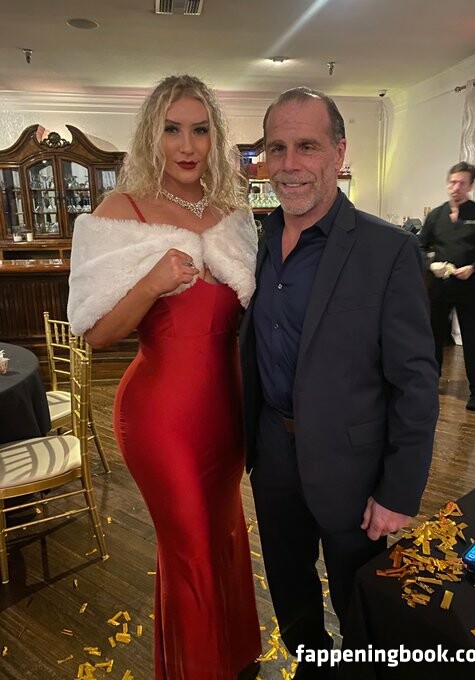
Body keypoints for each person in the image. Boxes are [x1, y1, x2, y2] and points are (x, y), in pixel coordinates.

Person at [239, 87, 439, 678]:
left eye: (307, 146)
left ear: (339, 152)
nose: (289, 164)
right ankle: (314, 665)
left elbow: (416, 381)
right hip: (273, 450)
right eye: (277, 148)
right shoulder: (257, 240)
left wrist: (399, 491)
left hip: (354, 465)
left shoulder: (389, 250)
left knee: (360, 597)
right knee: (288, 582)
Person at [67, 75, 261, 680]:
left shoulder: (234, 217)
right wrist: (152, 282)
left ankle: (234, 656)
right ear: (152, 135)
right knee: (190, 547)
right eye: (172, 129)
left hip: (227, 410)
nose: (187, 145)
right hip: (160, 416)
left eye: (200, 130)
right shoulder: (119, 214)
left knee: (225, 531)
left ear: (214, 137)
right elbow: (96, 333)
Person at [418, 162, 475, 411]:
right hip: (438, 289)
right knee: (433, 338)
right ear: (448, 183)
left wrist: (473, 268)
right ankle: (430, 384)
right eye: (453, 182)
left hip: (469, 288)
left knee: (471, 340)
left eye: (462, 183)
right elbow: (419, 247)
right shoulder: (436, 215)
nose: (456, 188)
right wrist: (431, 265)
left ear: (471, 186)